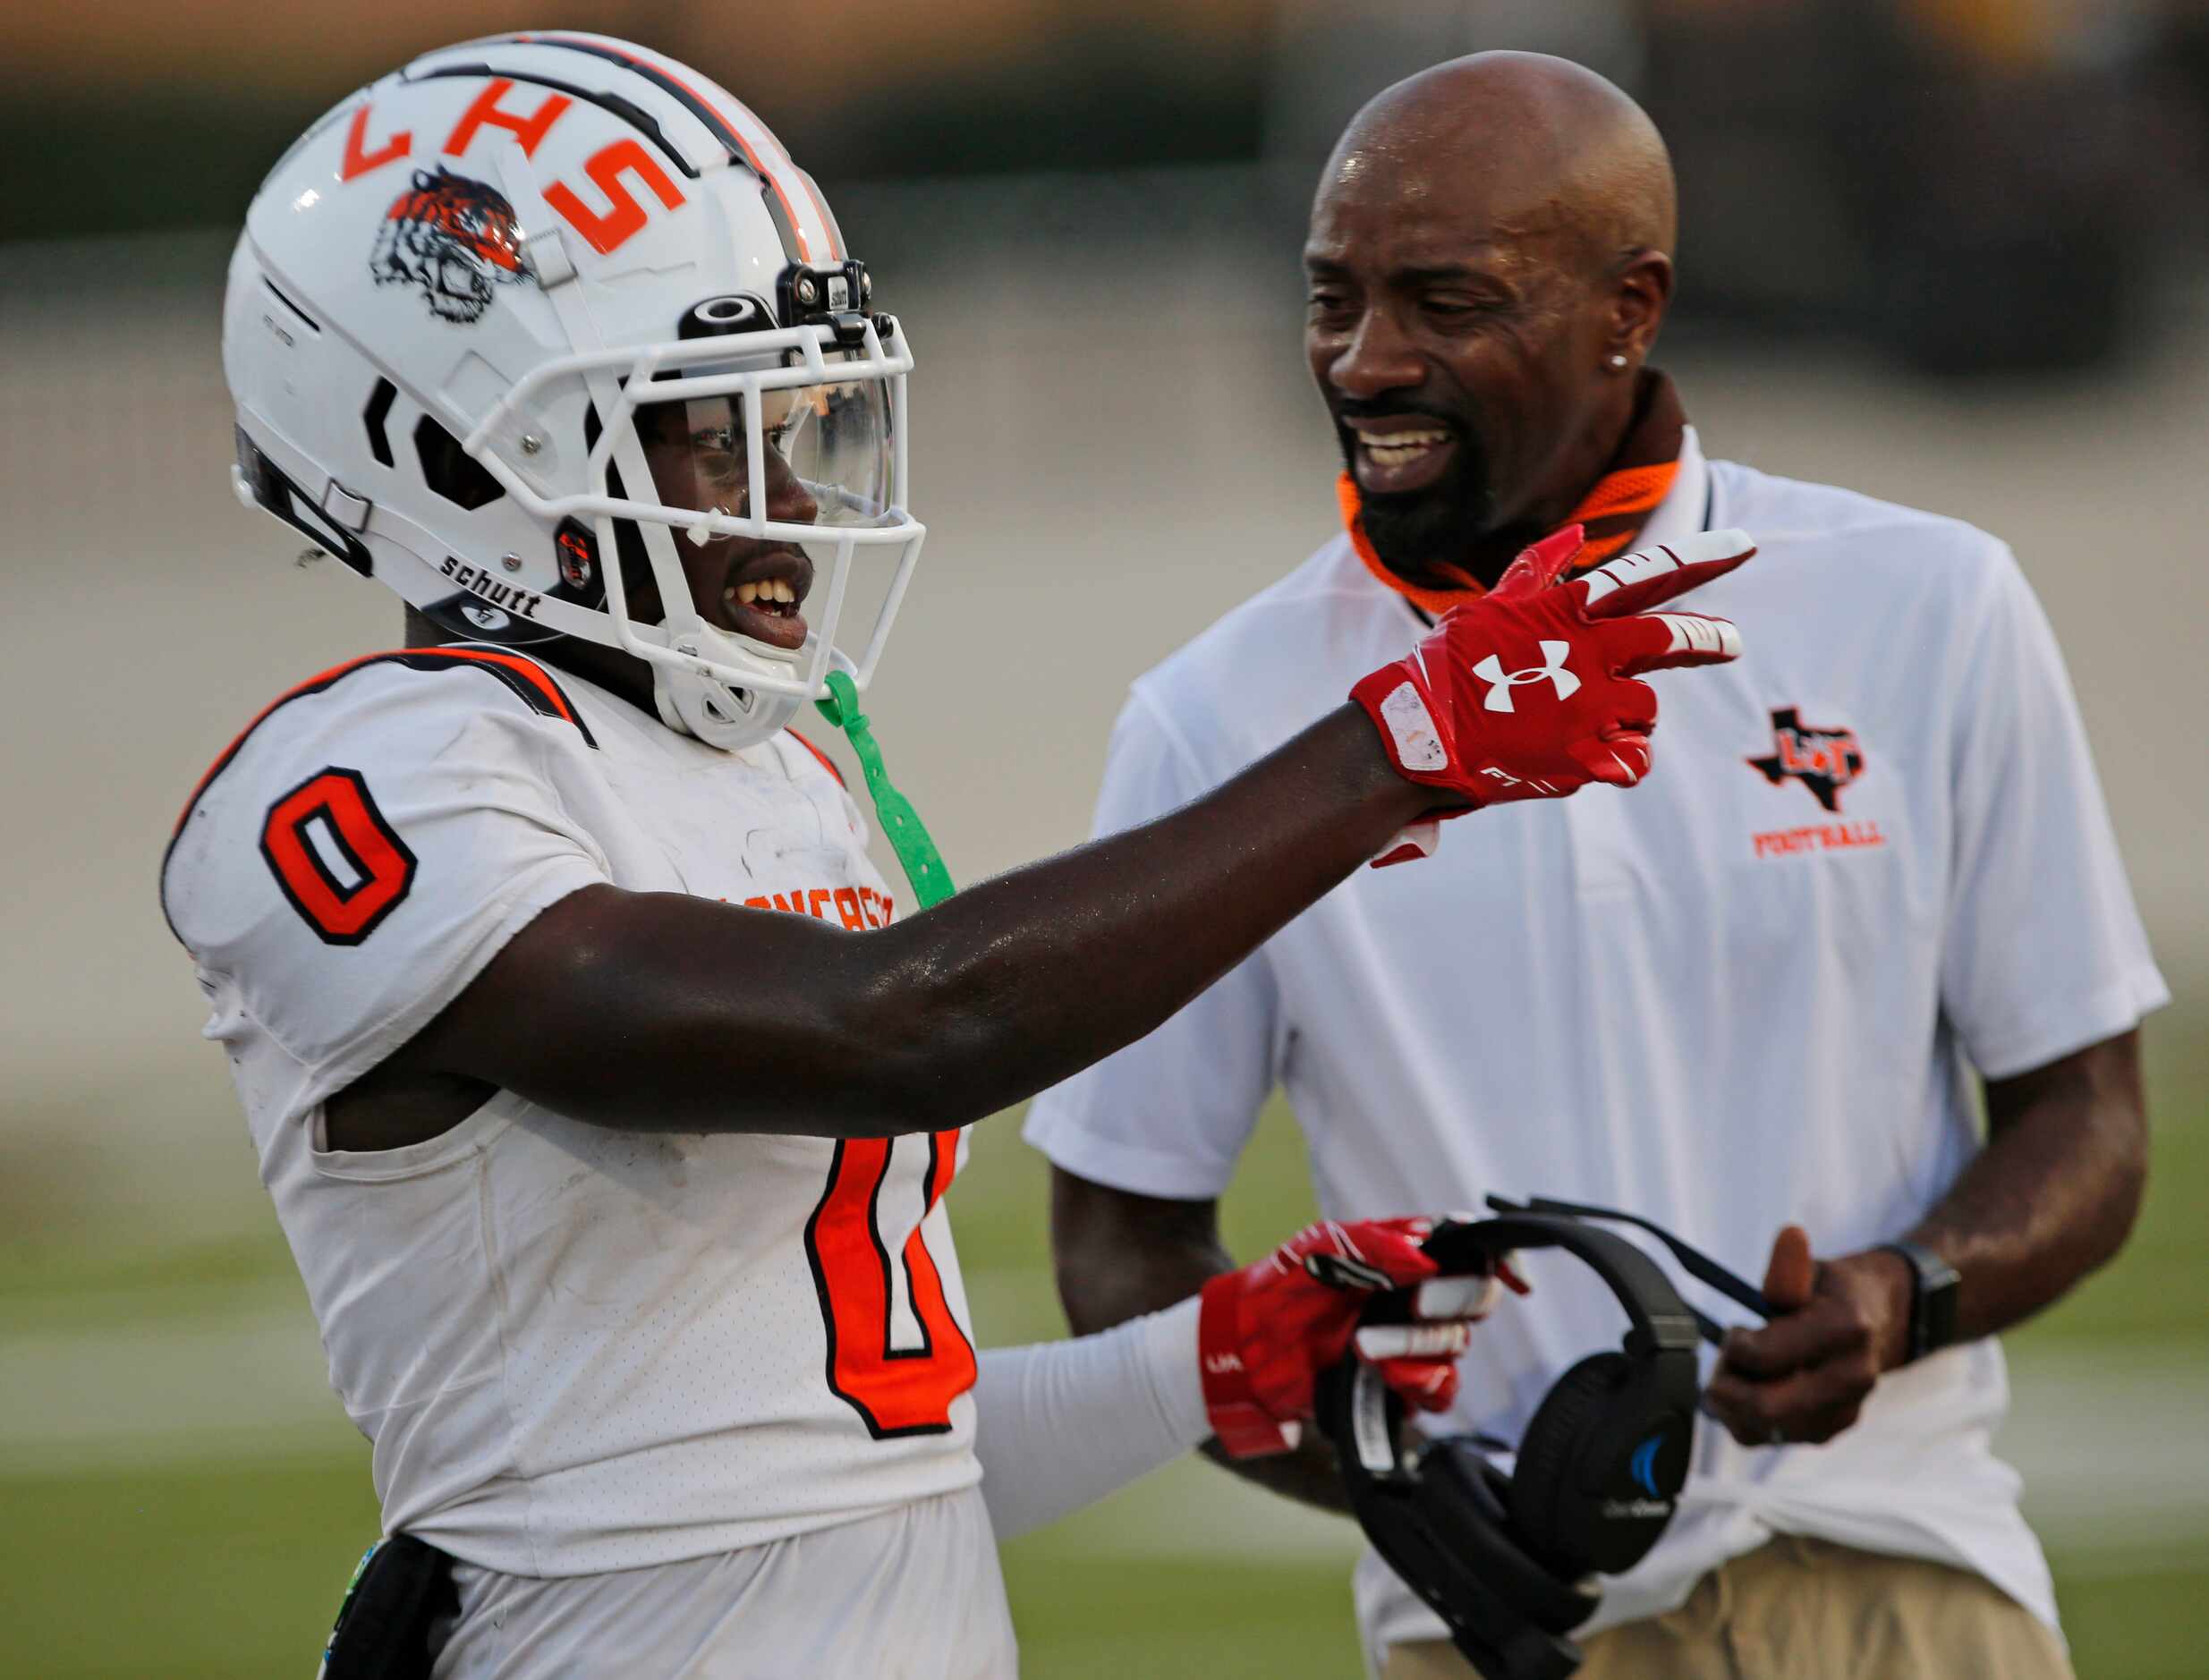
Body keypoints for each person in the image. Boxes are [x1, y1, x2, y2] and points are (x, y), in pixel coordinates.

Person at [160, 33, 1758, 1678]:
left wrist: (1202, 1364)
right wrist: (1393, 750)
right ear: (446, 451)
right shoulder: (370, 768)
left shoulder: (773, 766)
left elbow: (853, 1459)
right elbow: (893, 1028)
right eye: (708, 433)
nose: (783, 498)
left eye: (799, 422)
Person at [1030, 50, 2165, 1680]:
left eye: (1443, 300)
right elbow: (1117, 1238)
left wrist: (1900, 1292)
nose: (1365, 360)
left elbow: (2088, 1112)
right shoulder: (1218, 716)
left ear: (1628, 306)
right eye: (1330, 296)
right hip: (1498, 1635)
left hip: (1910, 1581)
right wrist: (1392, 1485)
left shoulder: (1924, 603)